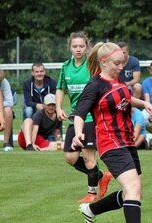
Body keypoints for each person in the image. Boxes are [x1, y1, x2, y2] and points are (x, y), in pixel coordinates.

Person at [71, 41, 152, 223]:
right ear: (104, 62)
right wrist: (77, 134)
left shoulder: (119, 83)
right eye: (117, 64)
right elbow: (79, 113)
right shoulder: (95, 85)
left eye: (123, 63)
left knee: (135, 192)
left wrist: (145, 104)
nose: (121, 67)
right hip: (110, 142)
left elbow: (126, 99)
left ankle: (90, 210)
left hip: (127, 141)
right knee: (133, 187)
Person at [56, 31, 112, 203]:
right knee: (70, 157)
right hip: (75, 117)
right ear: (70, 48)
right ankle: (102, 176)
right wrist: (58, 107)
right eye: (75, 46)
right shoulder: (66, 67)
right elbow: (60, 89)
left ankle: (92, 193)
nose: (78, 49)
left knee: (88, 156)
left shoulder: (92, 65)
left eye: (81, 46)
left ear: (86, 47)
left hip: (90, 118)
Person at [0, 69, 14, 151]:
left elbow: (9, 102)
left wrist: (0, 110)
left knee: (8, 110)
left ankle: (6, 143)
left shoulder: (5, 82)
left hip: (2, 110)